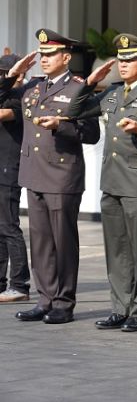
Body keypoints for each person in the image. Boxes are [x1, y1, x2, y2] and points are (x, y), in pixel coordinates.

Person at [65, 34, 137, 332]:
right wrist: (90, 82)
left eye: (130, 60)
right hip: (112, 180)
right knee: (116, 249)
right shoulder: (113, 93)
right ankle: (120, 307)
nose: (124, 64)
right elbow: (73, 112)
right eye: (121, 59)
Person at [0, 30, 100, 324]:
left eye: (51, 55)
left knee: (63, 241)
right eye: (42, 55)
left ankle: (63, 302)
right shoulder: (32, 87)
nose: (44, 60)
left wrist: (61, 125)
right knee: (41, 241)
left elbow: (91, 133)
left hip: (61, 175)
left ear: (66, 57)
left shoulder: (78, 89)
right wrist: (11, 76)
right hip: (33, 173)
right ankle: (45, 299)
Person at [0, 54, 31, 304]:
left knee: (9, 226)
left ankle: (19, 284)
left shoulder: (23, 98)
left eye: (6, 73)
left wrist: (10, 83)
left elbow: (3, 114)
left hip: (10, 168)